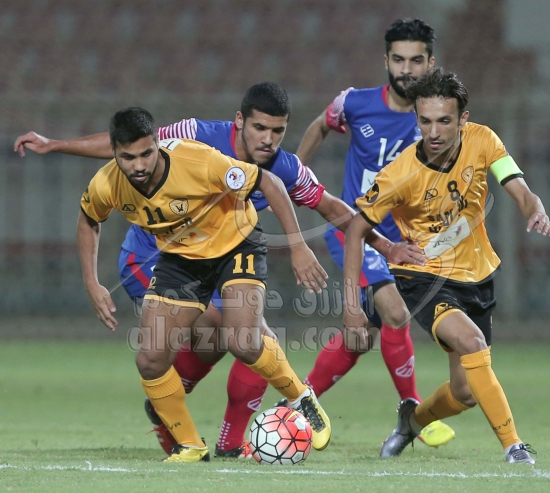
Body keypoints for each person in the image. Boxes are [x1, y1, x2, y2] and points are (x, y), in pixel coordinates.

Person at [15, 82, 407, 458]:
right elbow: (133, 145)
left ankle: (220, 436)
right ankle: (185, 415)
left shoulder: (285, 169)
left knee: (248, 337)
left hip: (225, 253)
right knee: (227, 331)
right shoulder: (196, 136)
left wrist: (385, 245)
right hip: (155, 258)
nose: (268, 139)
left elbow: (333, 207)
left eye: (278, 131)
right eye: (259, 128)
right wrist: (56, 145)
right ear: (239, 121)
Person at [78, 106, 335, 462]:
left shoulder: (197, 160)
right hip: (182, 261)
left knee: (244, 341)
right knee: (150, 360)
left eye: (146, 154)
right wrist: (92, 282)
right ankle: (191, 446)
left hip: (236, 245)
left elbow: (269, 182)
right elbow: (88, 219)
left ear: (157, 143)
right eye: (127, 157)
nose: (138, 166)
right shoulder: (106, 183)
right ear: (114, 152)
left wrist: (298, 246)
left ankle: (300, 398)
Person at [343, 67, 550, 464]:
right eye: (425, 121)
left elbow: (517, 186)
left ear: (463, 119)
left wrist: (534, 207)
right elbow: (356, 229)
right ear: (416, 119)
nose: (434, 132)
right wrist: (354, 301)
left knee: (465, 393)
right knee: (472, 342)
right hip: (425, 277)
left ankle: (411, 421)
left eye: (444, 121)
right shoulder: (401, 174)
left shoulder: (483, 140)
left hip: (476, 273)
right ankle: (514, 446)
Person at [294, 18, 453, 449]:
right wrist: (293, 176)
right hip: (355, 229)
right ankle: (413, 413)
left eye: (416, 61)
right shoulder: (354, 103)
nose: (406, 69)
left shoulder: (436, 120)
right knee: (396, 312)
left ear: (430, 63)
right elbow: (320, 125)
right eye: (398, 60)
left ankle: (298, 404)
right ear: (386, 61)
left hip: (404, 242)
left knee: (360, 335)